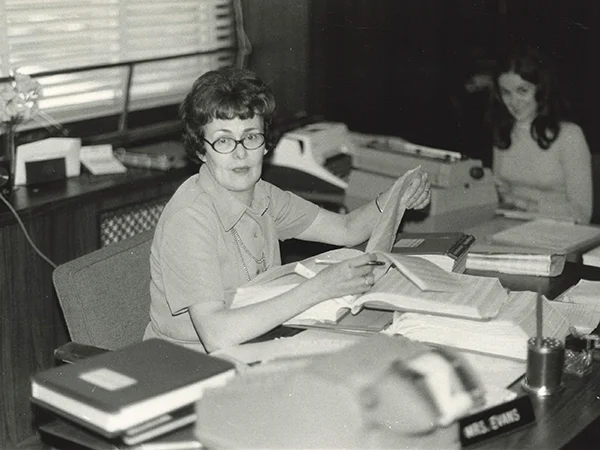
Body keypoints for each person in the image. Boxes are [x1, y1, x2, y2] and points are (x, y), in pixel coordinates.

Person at [143, 67, 431, 353]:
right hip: (188, 362)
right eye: (223, 141)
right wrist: (319, 288)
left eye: (251, 137)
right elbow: (216, 335)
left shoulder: (263, 195)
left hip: (257, 343)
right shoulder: (190, 219)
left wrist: (395, 197)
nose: (240, 153)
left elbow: (347, 230)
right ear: (200, 150)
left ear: (265, 144)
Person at [487, 44, 592, 224]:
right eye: (506, 93)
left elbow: (582, 214)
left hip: (558, 234)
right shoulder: (504, 132)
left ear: (541, 89)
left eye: (522, 90)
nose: (513, 102)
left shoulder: (569, 135)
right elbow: (499, 196)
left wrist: (528, 206)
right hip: (511, 228)